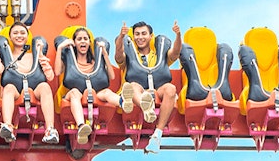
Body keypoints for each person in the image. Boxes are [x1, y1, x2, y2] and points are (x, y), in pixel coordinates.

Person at [0, 22, 60, 145]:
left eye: (22, 33)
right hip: (15, 90)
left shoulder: (34, 55)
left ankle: (50, 129)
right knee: (8, 88)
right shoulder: (7, 55)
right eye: (15, 33)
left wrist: (41, 54)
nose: (19, 36)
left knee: (45, 87)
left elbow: (50, 76)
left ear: (27, 36)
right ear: (10, 37)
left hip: (34, 89)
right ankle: (8, 126)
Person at [115, 20, 182, 152]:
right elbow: (118, 55)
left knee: (171, 88)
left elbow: (175, 52)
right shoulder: (129, 54)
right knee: (132, 86)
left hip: (157, 90)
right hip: (137, 91)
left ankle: (158, 133)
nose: (140, 37)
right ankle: (146, 108)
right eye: (137, 34)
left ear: (151, 36)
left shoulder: (159, 54)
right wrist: (121, 37)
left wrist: (178, 35)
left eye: (143, 34)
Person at [53, 27, 122, 144]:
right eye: (79, 39)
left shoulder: (95, 62)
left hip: (93, 93)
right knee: (75, 93)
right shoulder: (70, 60)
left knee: (107, 92)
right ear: (74, 43)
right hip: (75, 94)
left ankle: (124, 103)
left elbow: (112, 76)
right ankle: (81, 126)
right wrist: (60, 48)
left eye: (85, 39)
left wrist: (105, 54)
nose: (83, 41)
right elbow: (57, 72)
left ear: (90, 42)